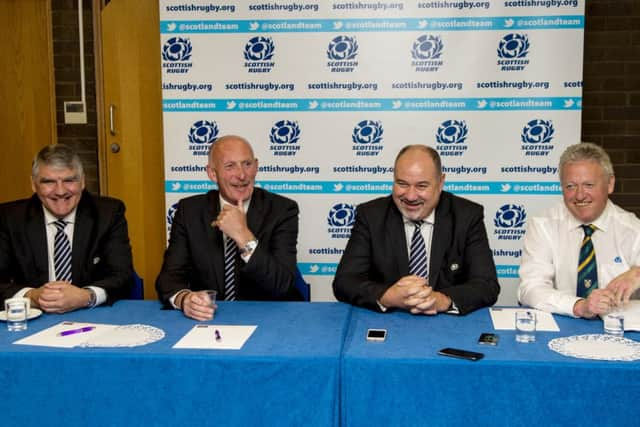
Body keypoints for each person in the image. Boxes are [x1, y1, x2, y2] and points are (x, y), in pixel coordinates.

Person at [333, 144, 500, 315]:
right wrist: (388, 296)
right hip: (390, 322)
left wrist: (441, 300)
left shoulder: (467, 216)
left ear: (441, 182)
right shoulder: (371, 216)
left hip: (447, 325)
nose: (411, 196)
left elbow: (486, 285)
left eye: (421, 186)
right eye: (402, 184)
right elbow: (345, 281)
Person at [155, 135, 302, 321]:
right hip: (209, 319)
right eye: (230, 166)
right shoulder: (189, 211)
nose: (241, 175)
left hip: (268, 318)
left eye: (247, 164)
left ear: (256, 166)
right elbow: (169, 277)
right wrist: (185, 299)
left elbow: (283, 285)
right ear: (212, 173)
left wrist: (244, 236)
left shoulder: (282, 210)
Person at [0, 144, 133, 313]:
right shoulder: (9, 218)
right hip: (31, 318)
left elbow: (122, 276)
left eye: (69, 180)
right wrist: (32, 296)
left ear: (83, 182)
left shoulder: (108, 213)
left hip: (92, 317)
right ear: (34, 185)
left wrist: (86, 296)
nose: (60, 191)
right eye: (48, 182)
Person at [518, 142, 640, 318]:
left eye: (589, 185)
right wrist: (579, 306)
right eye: (570, 186)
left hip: (618, 330)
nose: (580, 195)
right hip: (564, 323)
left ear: (610, 184)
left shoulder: (633, 228)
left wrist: (637, 274)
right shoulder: (543, 225)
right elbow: (530, 288)